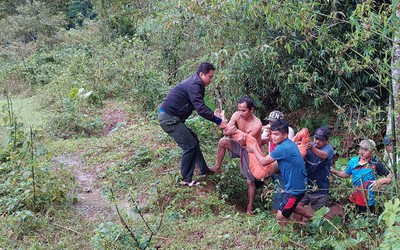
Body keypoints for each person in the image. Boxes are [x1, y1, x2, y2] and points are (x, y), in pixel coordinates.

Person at [158, 62, 227, 187]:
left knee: (193, 139)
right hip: (169, 118)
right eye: (210, 77)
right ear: (201, 74)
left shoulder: (197, 84)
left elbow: (199, 106)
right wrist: (218, 121)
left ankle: (204, 170)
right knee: (190, 146)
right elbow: (200, 109)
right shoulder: (194, 84)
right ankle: (185, 180)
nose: (211, 80)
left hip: (173, 117)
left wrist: (215, 117)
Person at [247, 119, 312, 226]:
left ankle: (283, 239)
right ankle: (317, 218)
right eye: (272, 134)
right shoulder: (289, 144)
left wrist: (254, 148)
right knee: (293, 208)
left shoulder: (282, 148)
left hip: (294, 189)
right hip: (298, 186)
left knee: (280, 217)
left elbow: (263, 162)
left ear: (285, 135)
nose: (273, 137)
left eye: (276, 135)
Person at [209, 96, 263, 214]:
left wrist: (230, 131)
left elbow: (244, 142)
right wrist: (228, 130)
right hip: (240, 142)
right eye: (239, 110)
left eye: (243, 110)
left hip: (251, 150)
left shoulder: (257, 125)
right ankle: (217, 167)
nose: (240, 113)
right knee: (223, 141)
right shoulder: (237, 115)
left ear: (251, 110)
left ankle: (250, 208)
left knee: (250, 181)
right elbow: (226, 132)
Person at [330, 139, 392, 213]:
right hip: (354, 197)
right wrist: (335, 172)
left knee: (366, 219)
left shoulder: (375, 164)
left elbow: (390, 177)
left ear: (372, 151)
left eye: (365, 150)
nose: (362, 152)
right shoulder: (353, 161)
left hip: (368, 200)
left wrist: (380, 181)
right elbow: (346, 174)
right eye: (361, 149)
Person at [294, 127, 334, 221]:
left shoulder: (328, 148)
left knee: (320, 213)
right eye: (316, 138)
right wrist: (296, 146)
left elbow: (324, 155)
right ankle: (297, 228)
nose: (317, 141)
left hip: (321, 188)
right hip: (305, 185)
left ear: (327, 140)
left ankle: (321, 232)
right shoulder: (308, 146)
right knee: (297, 206)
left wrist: (311, 148)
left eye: (321, 140)